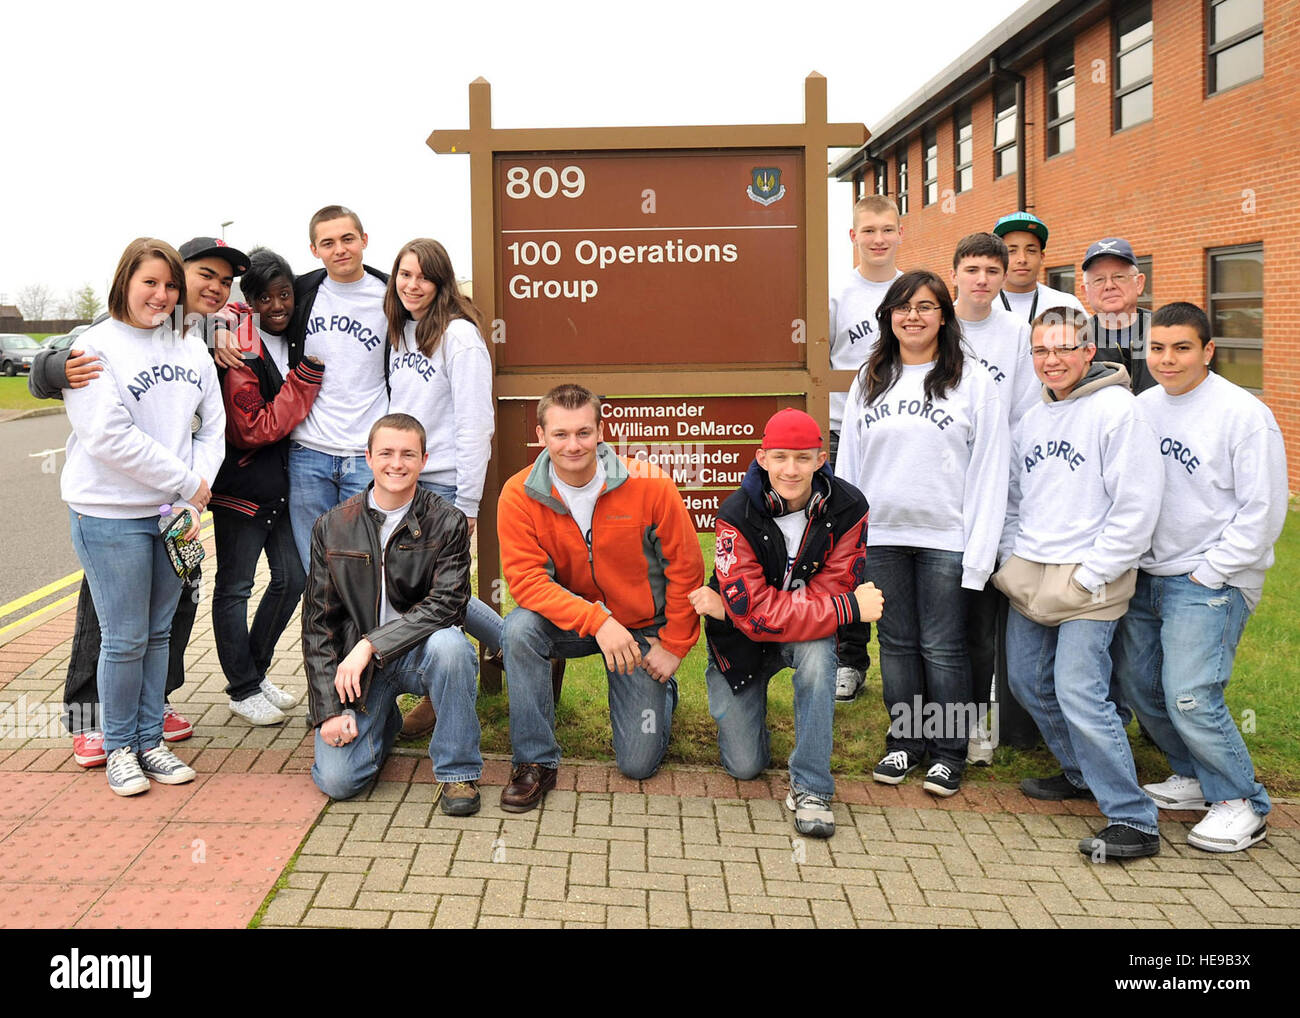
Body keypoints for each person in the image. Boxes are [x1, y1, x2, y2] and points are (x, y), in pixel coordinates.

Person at [36, 237, 250, 764]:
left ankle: (148, 736)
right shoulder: (92, 344)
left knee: (158, 633)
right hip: (111, 514)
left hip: (173, 516)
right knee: (120, 634)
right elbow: (108, 436)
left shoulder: (195, 340)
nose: (162, 293)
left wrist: (193, 495)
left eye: (168, 285)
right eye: (150, 282)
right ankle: (107, 737)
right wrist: (188, 482)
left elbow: (211, 426)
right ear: (125, 282)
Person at [1113, 302, 1287, 853]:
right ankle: (1192, 775)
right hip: (1147, 573)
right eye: (1157, 347)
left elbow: (1263, 508)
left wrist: (1212, 571)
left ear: (1208, 351)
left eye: (1182, 347)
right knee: (1143, 686)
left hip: (1211, 576)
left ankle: (1241, 801)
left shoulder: (1242, 414)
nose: (1168, 359)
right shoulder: (1142, 407)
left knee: (1190, 693)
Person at [996, 307, 1164, 860]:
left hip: (1093, 575)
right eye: (1041, 351)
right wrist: (1011, 557)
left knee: (1079, 691)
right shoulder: (1032, 417)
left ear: (1089, 351)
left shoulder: (1119, 410)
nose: (1052, 360)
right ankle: (1081, 772)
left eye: (1064, 348)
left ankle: (1133, 818)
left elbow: (1136, 506)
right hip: (1033, 573)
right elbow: (1015, 497)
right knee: (1026, 681)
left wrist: (1095, 572)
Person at [836, 270, 1008, 798]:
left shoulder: (973, 380)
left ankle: (948, 751)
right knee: (897, 643)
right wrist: (850, 544)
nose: (914, 315)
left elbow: (990, 468)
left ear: (944, 316)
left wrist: (979, 551)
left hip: (947, 541)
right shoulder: (871, 377)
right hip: (882, 537)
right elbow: (850, 467)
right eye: (903, 306)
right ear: (889, 315)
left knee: (944, 647)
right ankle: (905, 742)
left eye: (927, 306)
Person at [496, 384, 704, 811]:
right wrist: (599, 621)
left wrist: (675, 645)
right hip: (574, 624)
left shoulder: (651, 485)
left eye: (583, 433)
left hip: (640, 628)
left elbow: (685, 569)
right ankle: (534, 761)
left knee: (638, 764)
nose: (573, 445)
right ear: (540, 435)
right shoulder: (518, 494)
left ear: (601, 431)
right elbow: (527, 582)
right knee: (518, 629)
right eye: (560, 434)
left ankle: (661, 696)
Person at [689, 409, 883, 838]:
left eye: (802, 458)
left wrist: (742, 611)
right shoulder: (735, 513)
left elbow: (822, 593)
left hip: (793, 633)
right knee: (745, 766)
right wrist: (847, 609)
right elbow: (755, 613)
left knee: (818, 655)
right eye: (779, 457)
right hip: (738, 643)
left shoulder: (850, 507)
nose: (790, 470)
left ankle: (812, 787)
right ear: (762, 458)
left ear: (820, 458)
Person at [304, 413, 483, 814]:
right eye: (386, 453)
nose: (396, 463)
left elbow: (447, 605)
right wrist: (328, 712)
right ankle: (382, 723)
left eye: (407, 454)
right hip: (360, 672)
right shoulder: (332, 526)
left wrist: (371, 644)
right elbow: (318, 624)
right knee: (339, 781)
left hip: (421, 653)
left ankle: (458, 774)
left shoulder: (447, 521)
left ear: (424, 459)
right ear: (368, 457)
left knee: (453, 646)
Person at [382, 238, 503, 739]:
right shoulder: (403, 333)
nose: (412, 285)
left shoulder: (459, 337)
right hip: (408, 478)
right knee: (419, 588)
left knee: (441, 592)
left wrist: (468, 502)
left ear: (441, 282)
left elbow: (478, 424)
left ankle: (450, 687)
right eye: (404, 275)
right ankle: (516, 644)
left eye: (423, 277)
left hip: (447, 481)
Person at [210, 248, 324, 725]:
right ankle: (242, 687)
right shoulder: (238, 340)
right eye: (264, 298)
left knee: (293, 579)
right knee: (234, 587)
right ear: (249, 300)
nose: (277, 305)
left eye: (284, 295)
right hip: (241, 487)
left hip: (279, 485)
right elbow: (250, 428)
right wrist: (305, 382)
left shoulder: (293, 333)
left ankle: (251, 676)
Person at [950, 232, 1040, 756]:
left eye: (991, 271)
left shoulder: (1018, 334)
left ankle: (978, 724)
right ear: (955, 273)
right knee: (946, 624)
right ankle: (931, 723)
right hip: (943, 493)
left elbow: (1026, 415)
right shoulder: (940, 326)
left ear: (1004, 277)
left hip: (997, 493)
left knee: (983, 621)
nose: (981, 280)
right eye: (972, 270)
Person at [285, 205, 389, 572]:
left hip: (365, 455)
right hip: (307, 454)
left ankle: (363, 633)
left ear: (363, 240)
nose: (339, 249)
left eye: (347, 239)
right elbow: (250, 316)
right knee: (317, 571)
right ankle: (322, 633)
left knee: (364, 570)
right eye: (327, 243)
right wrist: (219, 331)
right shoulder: (300, 293)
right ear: (314, 249)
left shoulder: (391, 296)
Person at [827, 193, 902, 703]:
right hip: (840, 434)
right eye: (868, 230)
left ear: (900, 234)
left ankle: (905, 655)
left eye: (887, 229)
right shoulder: (836, 292)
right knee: (842, 549)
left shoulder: (916, 289)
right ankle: (849, 658)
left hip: (903, 436)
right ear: (853, 236)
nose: (878, 238)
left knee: (896, 544)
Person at [1081, 237, 1156, 393]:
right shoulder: (1076, 342)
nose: (1109, 286)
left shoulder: (1168, 332)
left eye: (1119, 277)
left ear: (1139, 283)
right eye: (1099, 280)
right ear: (1085, 292)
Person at [991, 211, 1085, 321]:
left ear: (1042, 256)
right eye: (1011, 251)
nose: (1022, 259)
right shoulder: (980, 306)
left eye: (1031, 251)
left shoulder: (1067, 305)